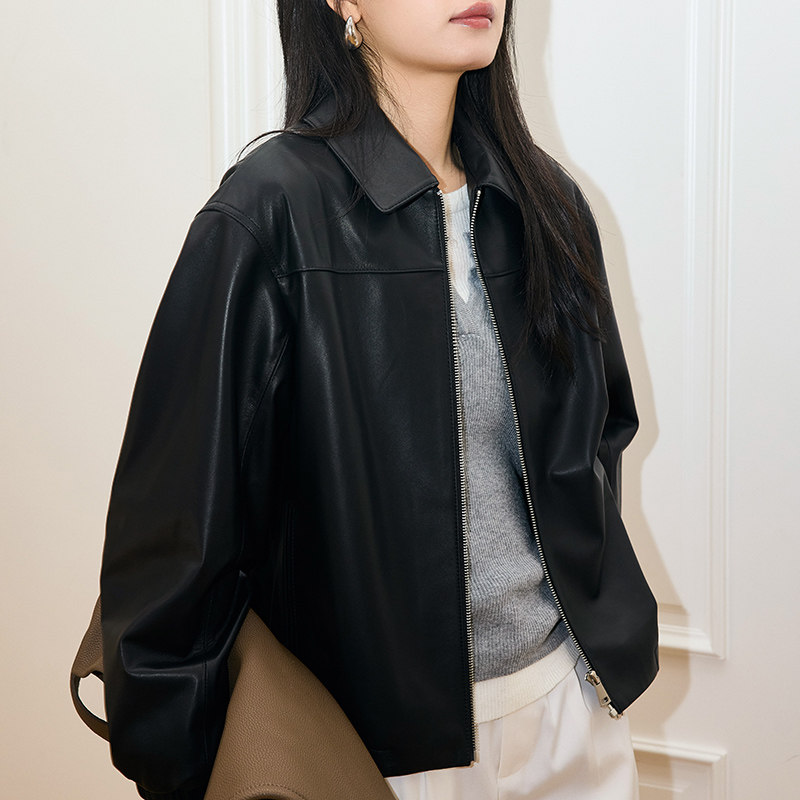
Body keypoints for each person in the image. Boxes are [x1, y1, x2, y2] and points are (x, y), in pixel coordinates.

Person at [98, 1, 659, 799]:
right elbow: (171, 552)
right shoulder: (267, 216)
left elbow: (599, 440)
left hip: (575, 717)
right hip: (378, 756)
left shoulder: (546, 203)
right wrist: (192, 767)